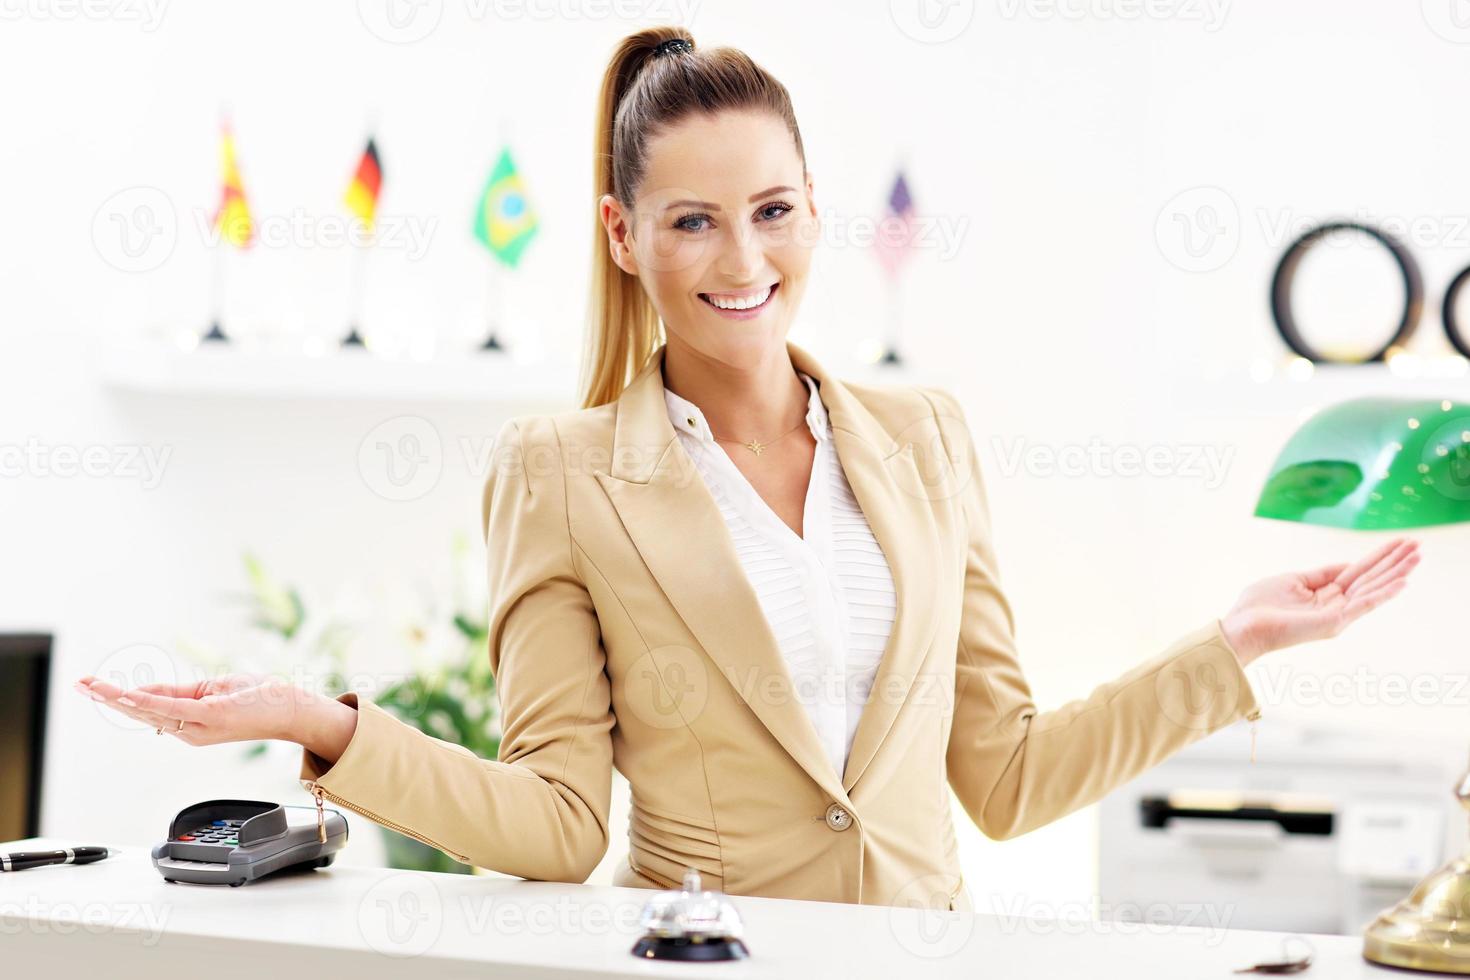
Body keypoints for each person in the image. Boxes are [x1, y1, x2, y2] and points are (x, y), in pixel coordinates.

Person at [73, 27, 1420, 910]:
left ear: (814, 208)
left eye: (772, 211)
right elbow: (555, 823)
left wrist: (1234, 644)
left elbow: (1003, 779)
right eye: (692, 222)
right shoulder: (558, 473)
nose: (741, 262)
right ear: (621, 232)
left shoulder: (924, 438)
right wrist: (326, 727)